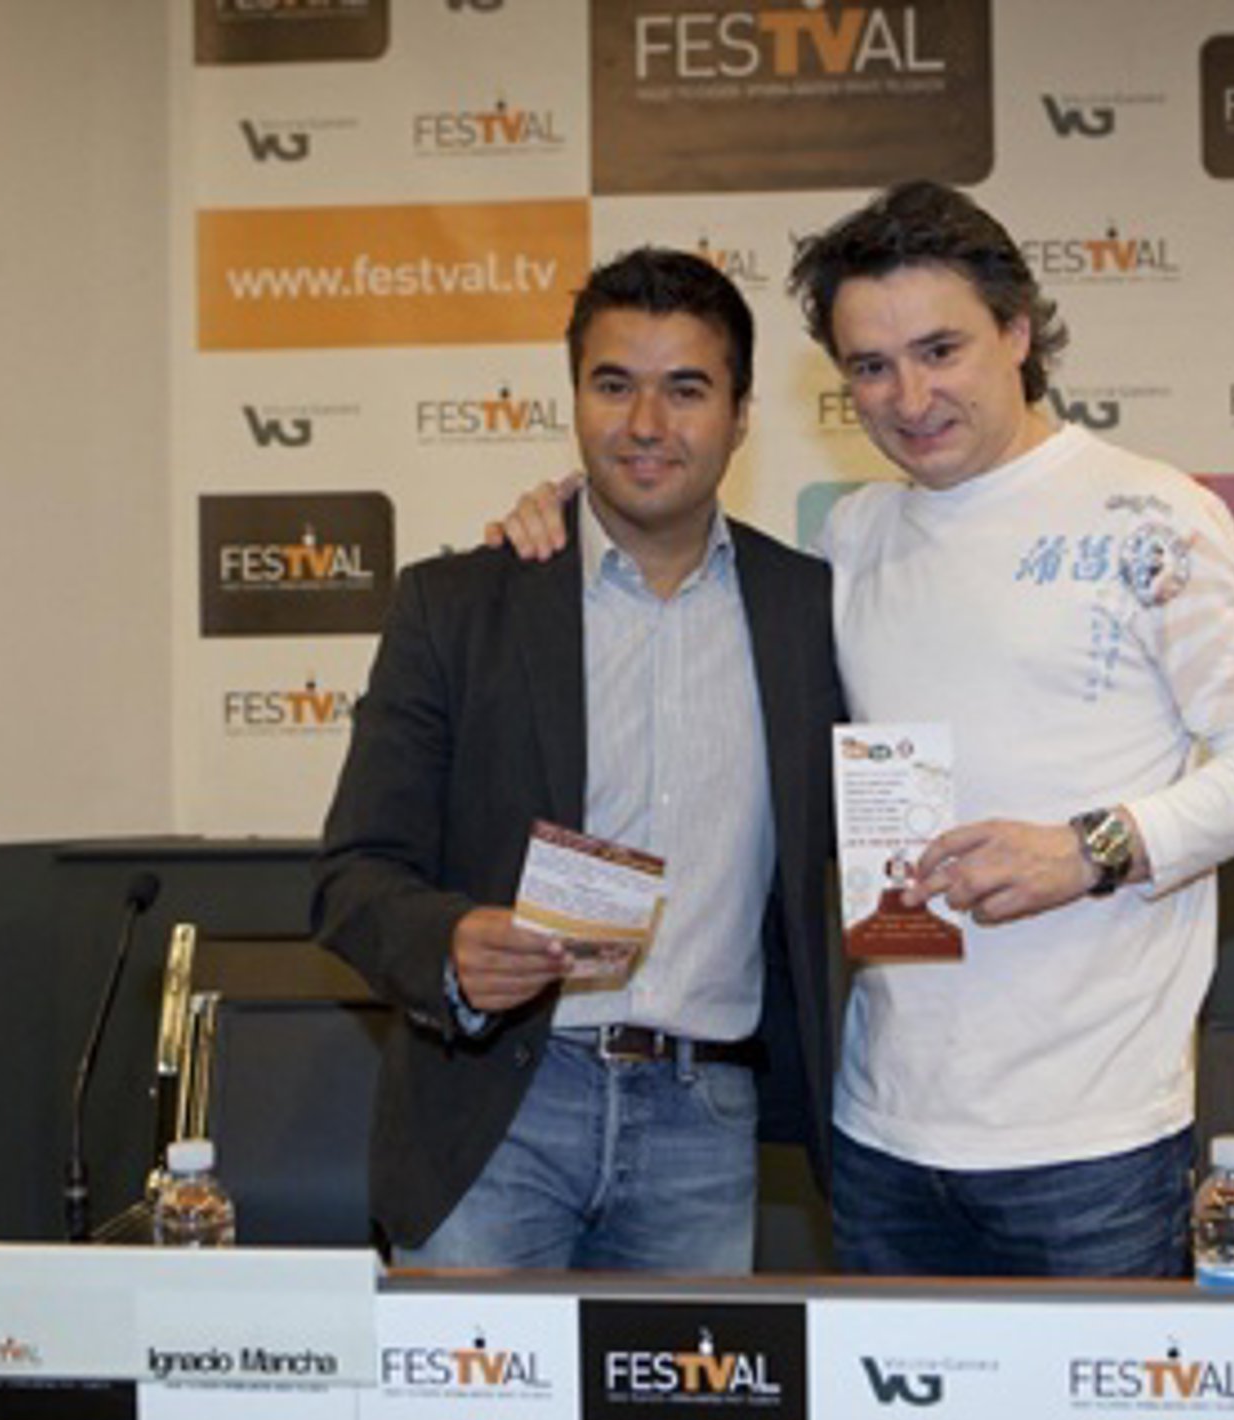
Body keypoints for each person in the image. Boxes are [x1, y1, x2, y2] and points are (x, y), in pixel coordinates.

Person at [493, 183, 1234, 1277]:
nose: (911, 396)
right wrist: (571, 515)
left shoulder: (1153, 514)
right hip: (880, 1134)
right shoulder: (852, 538)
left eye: (941, 350)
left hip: (1091, 1141)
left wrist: (1090, 848)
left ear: (1017, 332)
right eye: (871, 367)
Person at [314, 248, 841, 1271]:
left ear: (740, 416)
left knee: (680, 1392)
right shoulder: (458, 604)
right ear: (574, 402)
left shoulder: (809, 610)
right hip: (496, 1117)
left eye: (685, 389)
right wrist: (449, 943)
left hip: (706, 1122)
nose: (645, 423)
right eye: (614, 385)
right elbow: (353, 874)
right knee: (469, 1389)